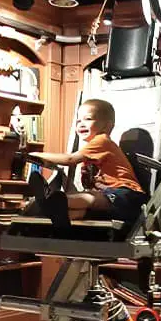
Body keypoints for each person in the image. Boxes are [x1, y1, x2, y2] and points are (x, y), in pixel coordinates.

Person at [28, 98, 148, 228]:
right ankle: (53, 210)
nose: (81, 124)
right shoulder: (91, 151)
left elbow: (70, 159)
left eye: (88, 119)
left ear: (107, 126)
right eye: (78, 121)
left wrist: (37, 154)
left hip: (127, 196)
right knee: (79, 211)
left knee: (88, 197)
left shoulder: (102, 141)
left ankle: (51, 200)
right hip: (112, 203)